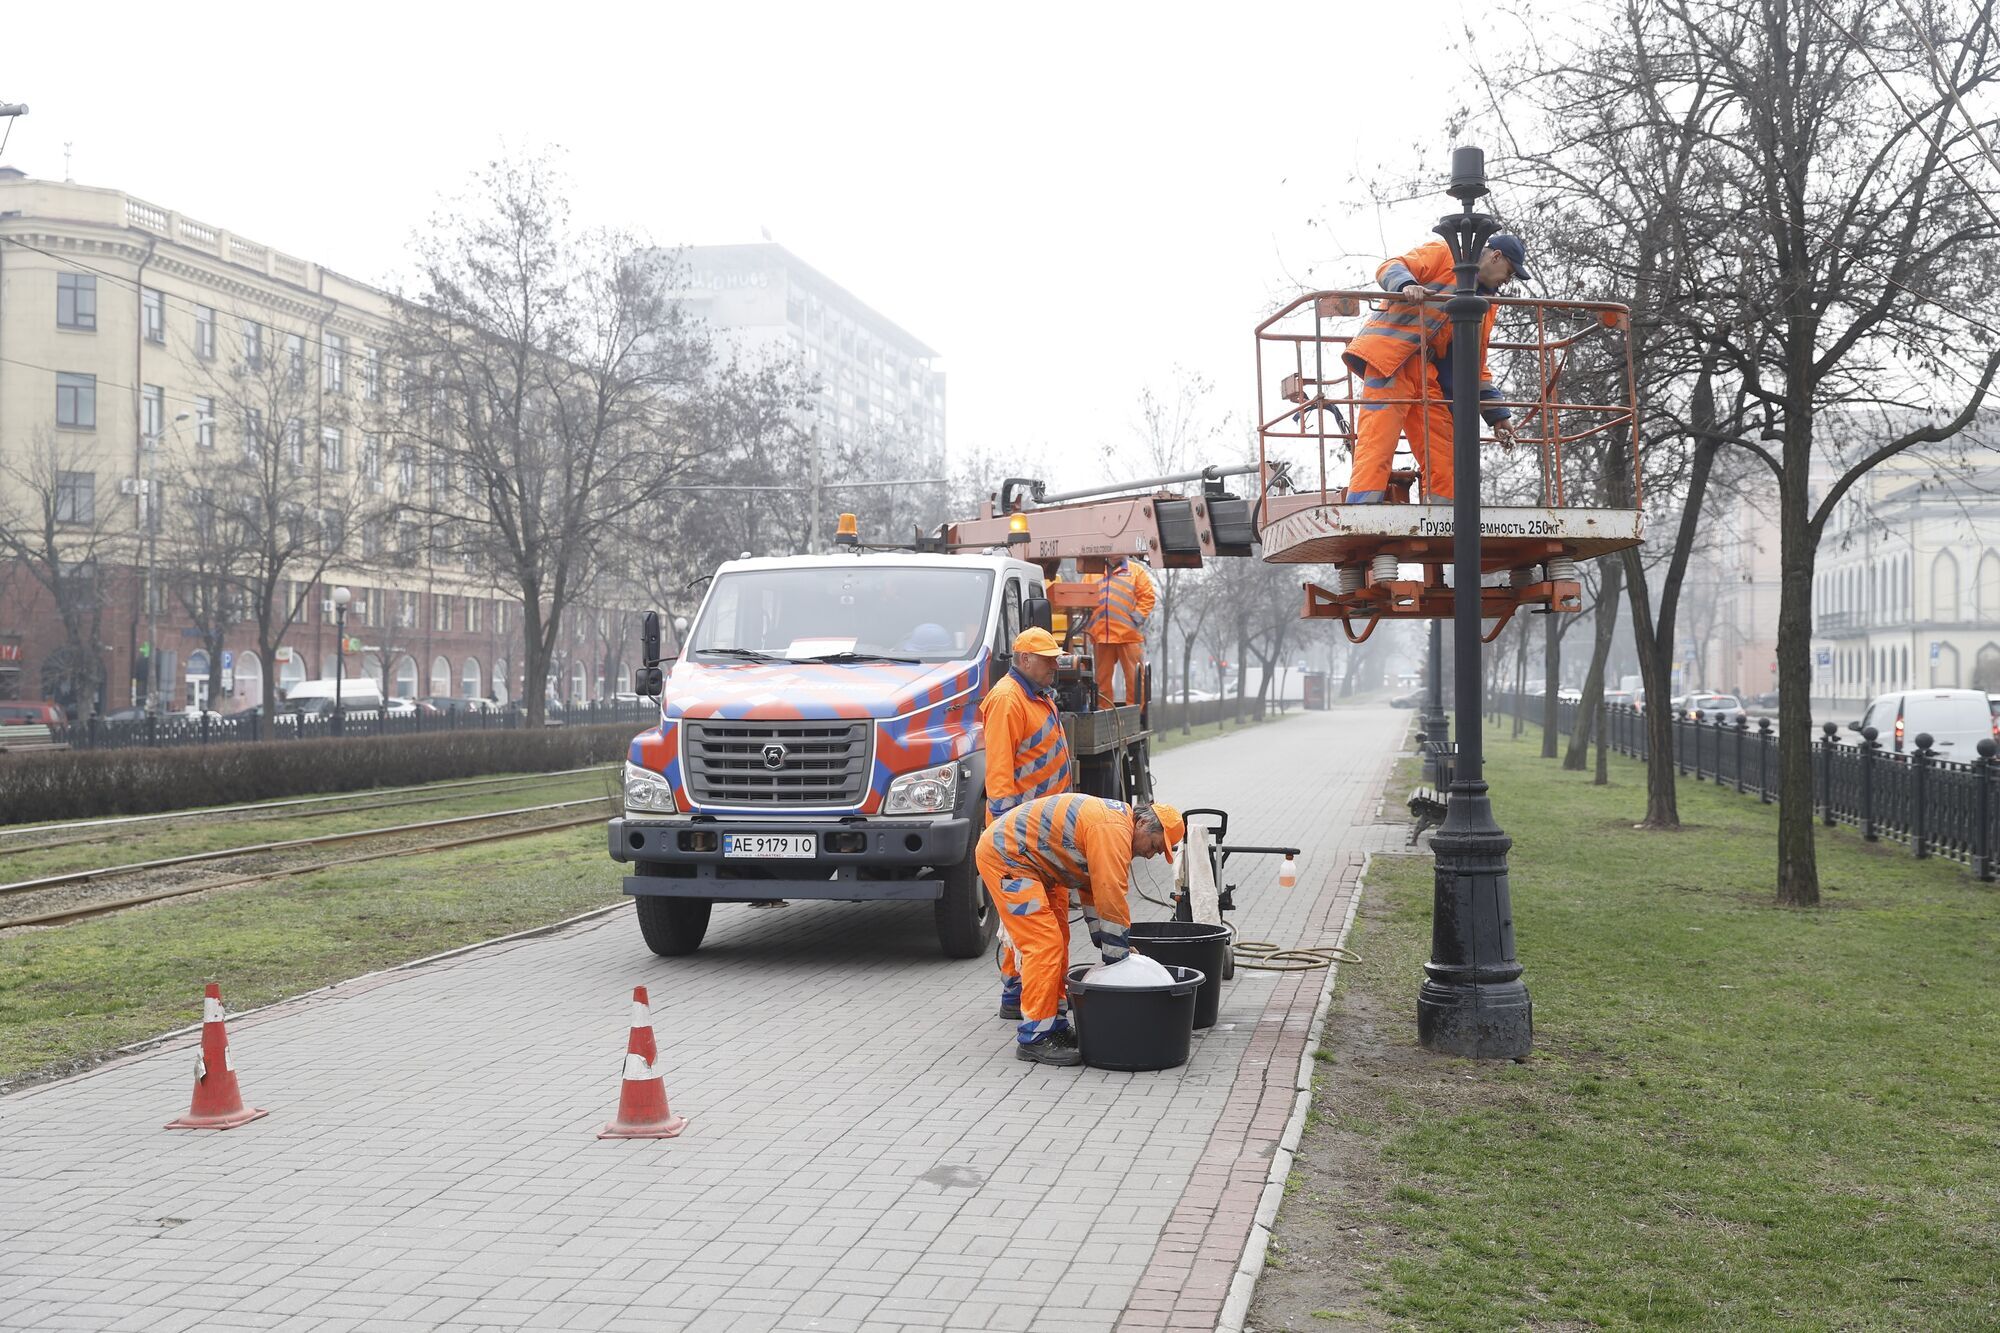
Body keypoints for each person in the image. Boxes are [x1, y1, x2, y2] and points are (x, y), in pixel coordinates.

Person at [976, 795, 1185, 1066]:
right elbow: (1111, 895)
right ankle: (1035, 1038)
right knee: (1044, 943)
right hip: (1008, 859)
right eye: (1155, 846)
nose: (1150, 854)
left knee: (1058, 938)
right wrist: (1117, 955)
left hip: (1032, 864)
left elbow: (1093, 890)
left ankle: (1055, 1024)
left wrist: (1109, 943)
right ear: (1143, 822)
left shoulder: (1115, 827)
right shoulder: (1113, 829)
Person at [1339, 233, 1529, 504]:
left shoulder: (1486, 305)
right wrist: (1407, 284)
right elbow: (1390, 267)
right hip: (1391, 361)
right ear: (1496, 256)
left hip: (1426, 371)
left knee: (1443, 447)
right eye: (1509, 272)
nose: (1507, 281)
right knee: (1378, 439)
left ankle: (1447, 517)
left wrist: (1497, 416)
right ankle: (1361, 511)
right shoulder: (1444, 253)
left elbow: (1475, 364)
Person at [979, 628, 1078, 1020]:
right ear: (1024, 660)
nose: (1055, 665)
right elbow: (999, 772)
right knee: (1042, 923)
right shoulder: (1007, 699)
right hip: (1024, 835)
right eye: (1047, 658)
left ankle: (1024, 991)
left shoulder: (1035, 696)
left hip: (1043, 830)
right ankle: (1040, 999)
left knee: (1035, 917)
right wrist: (1006, 833)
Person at [1085, 556, 1156, 708]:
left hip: (1127, 635)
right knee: (1102, 682)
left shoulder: (1136, 571)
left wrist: (1135, 619)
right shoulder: (1092, 572)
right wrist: (1089, 624)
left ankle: (1136, 712)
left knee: (1134, 679)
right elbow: (1083, 597)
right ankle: (1105, 713)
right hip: (1101, 636)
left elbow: (1148, 597)